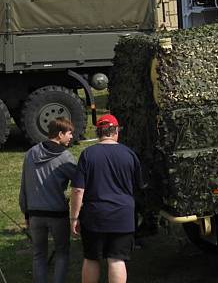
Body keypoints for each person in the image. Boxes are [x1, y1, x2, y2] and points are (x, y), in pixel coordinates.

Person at [71, 114, 142, 283]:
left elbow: (78, 190)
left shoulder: (87, 154)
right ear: (116, 131)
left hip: (94, 215)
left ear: (99, 132)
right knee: (116, 259)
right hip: (122, 215)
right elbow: (139, 186)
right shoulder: (129, 154)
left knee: (91, 258)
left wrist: (74, 217)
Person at [19, 117, 77, 283]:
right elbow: (80, 182)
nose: (72, 137)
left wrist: (26, 213)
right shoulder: (65, 158)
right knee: (62, 252)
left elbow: (24, 186)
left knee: (38, 254)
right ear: (60, 134)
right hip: (57, 214)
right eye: (69, 133)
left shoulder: (30, 153)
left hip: (35, 214)